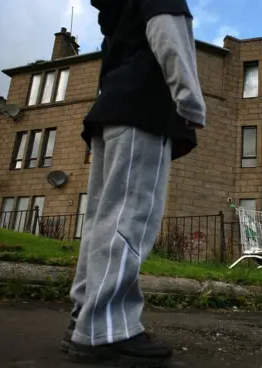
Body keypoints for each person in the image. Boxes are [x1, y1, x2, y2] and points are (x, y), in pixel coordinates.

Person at [60, 0, 206, 366]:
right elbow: (168, 32)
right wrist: (190, 102)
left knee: (100, 222)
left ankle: (84, 317)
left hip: (111, 109)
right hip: (144, 108)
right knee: (130, 219)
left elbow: (112, 58)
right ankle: (107, 329)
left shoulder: (116, 7)